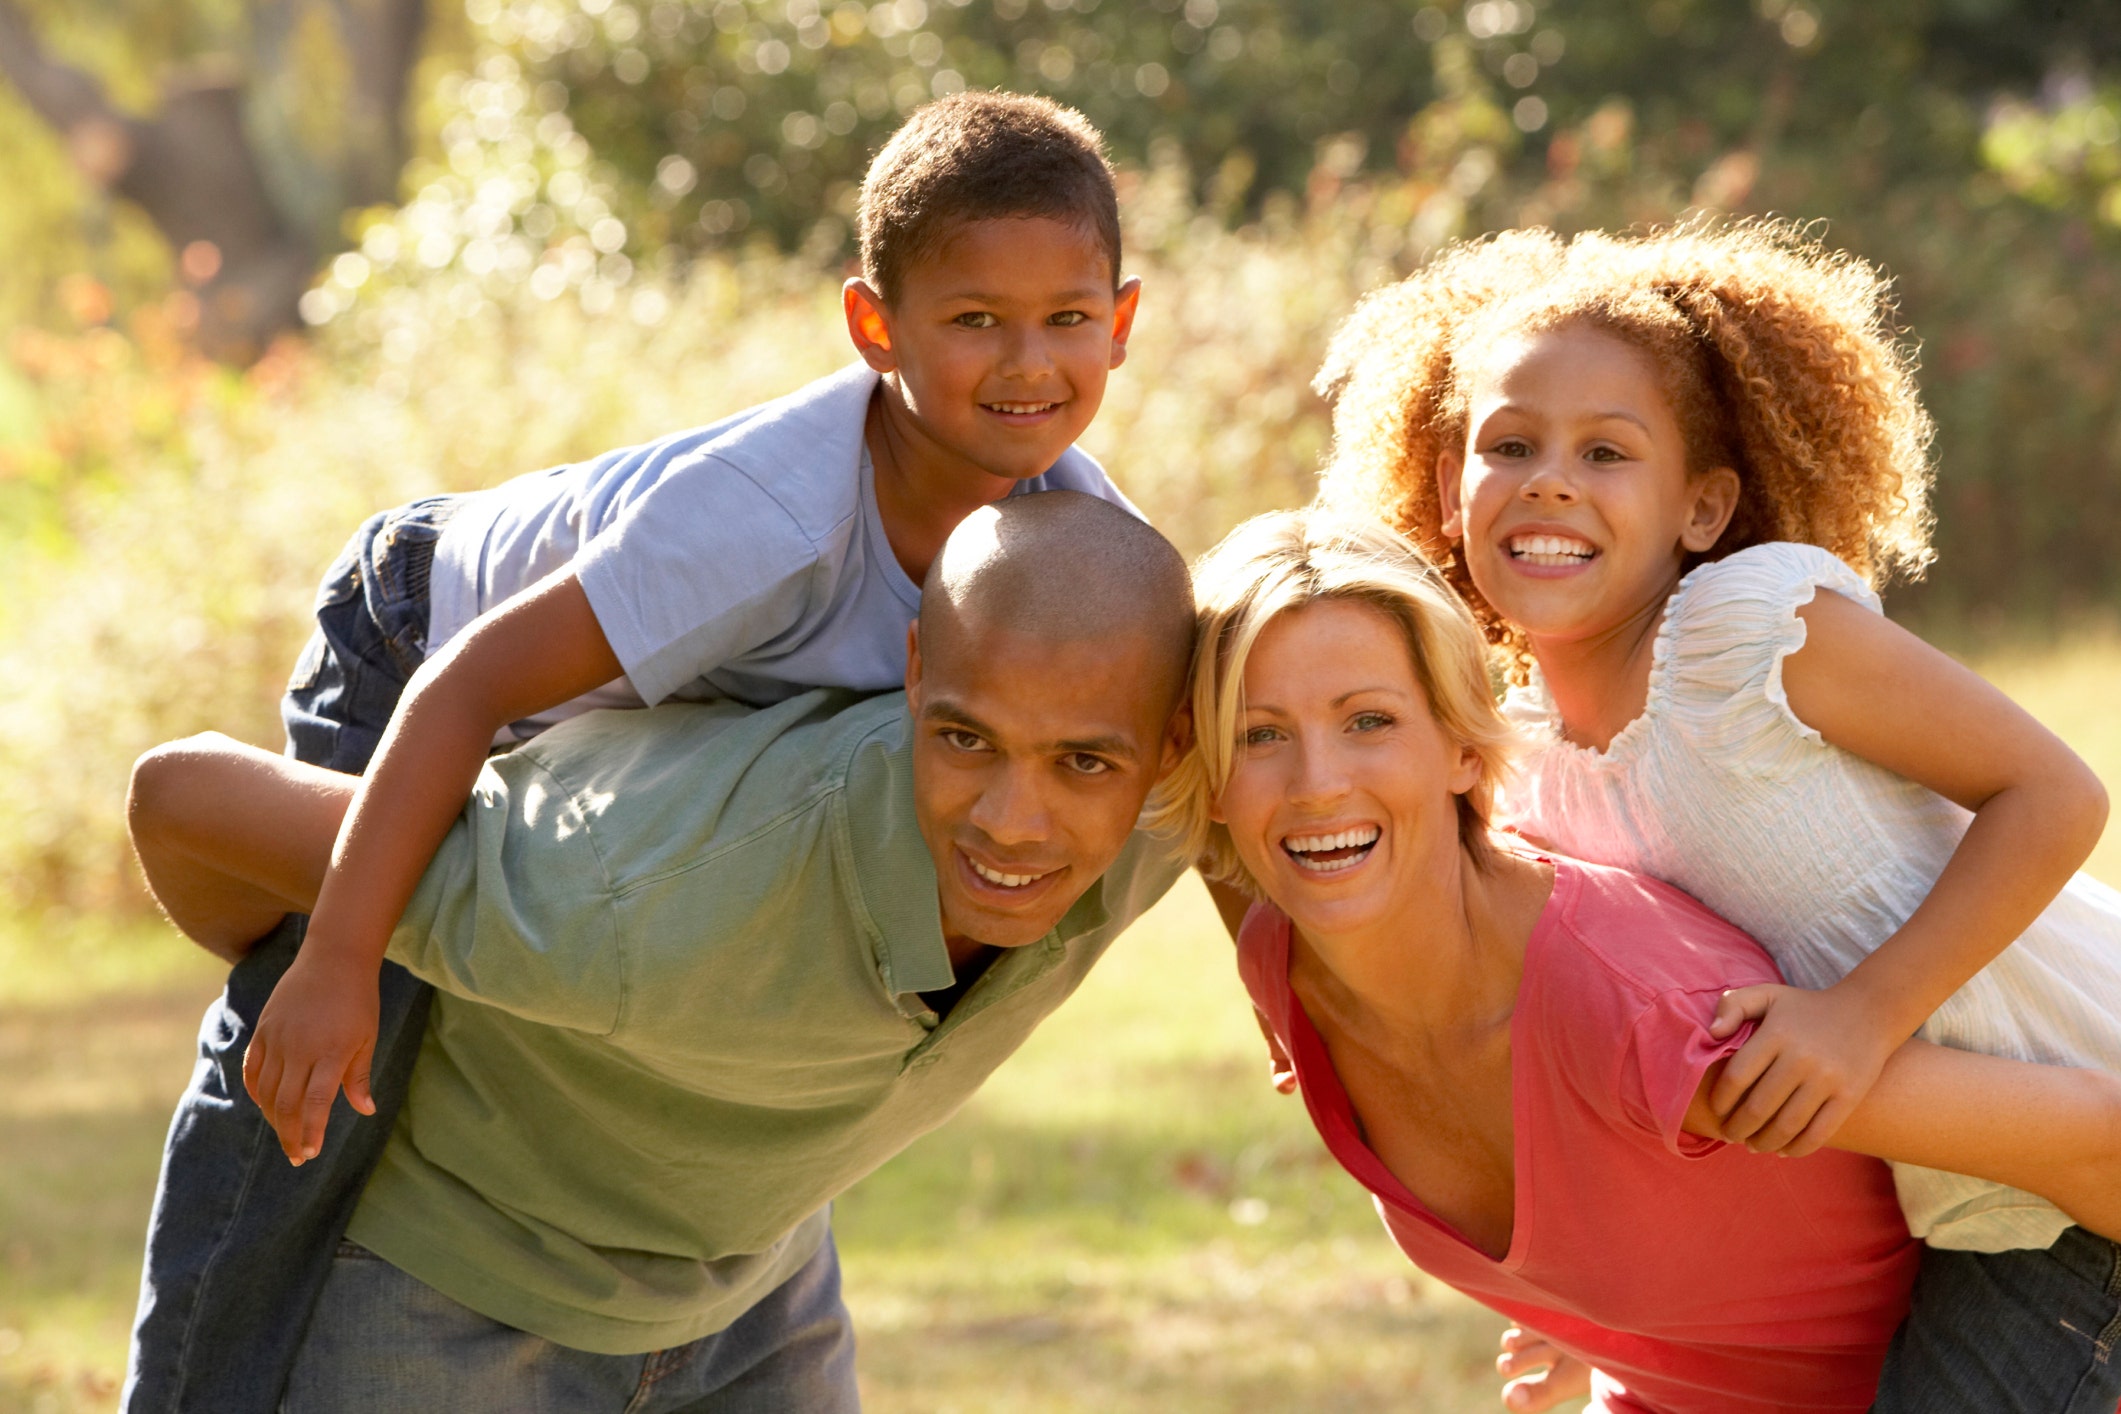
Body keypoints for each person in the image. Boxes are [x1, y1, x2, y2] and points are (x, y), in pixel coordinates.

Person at [122, 90, 1145, 1413]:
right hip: (424, 640)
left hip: (644, 726)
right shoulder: (768, 520)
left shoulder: (1069, 535)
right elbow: (468, 684)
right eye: (973, 321)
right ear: (872, 326)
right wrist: (331, 960)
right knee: (322, 1066)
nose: (1026, 364)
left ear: (1121, 322)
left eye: (1067, 320)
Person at [123, 491, 1195, 1411]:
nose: (1013, 819)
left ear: (1176, 744)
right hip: (458, 1299)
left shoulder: (1188, 800)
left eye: (1085, 763)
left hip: (752, 1286)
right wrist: (316, 963)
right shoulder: (626, 898)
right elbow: (183, 796)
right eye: (967, 739)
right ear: (917, 674)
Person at [1312, 221, 2121, 1410]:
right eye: (1511, 445)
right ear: (1447, 492)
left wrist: (1862, 1014)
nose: (1550, 479)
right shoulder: (1522, 765)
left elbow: (2055, 793)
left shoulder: (1748, 634)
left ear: (1703, 505)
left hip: (2075, 1118)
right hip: (1977, 1191)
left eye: (1607, 452)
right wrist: (1610, 1318)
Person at [1155, 508, 2121, 1414]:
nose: (1317, 785)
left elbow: (2102, 1137)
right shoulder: (1287, 967)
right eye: (1259, 735)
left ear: (1459, 745)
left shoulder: (1646, 1016)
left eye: (1368, 721)